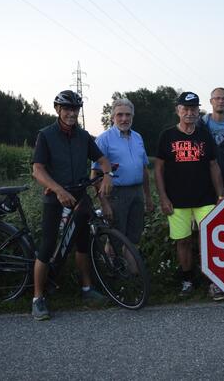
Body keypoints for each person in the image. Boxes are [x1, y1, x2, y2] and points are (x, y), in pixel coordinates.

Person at [31, 90, 113, 321]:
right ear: (58, 110)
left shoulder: (84, 136)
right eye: (67, 109)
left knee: (83, 244)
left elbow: (103, 160)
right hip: (55, 195)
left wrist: (108, 175)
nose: (71, 113)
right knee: (47, 246)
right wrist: (58, 190)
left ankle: (87, 289)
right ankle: (38, 298)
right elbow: (38, 169)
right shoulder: (46, 135)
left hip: (79, 195)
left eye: (75, 109)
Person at [155, 91, 224, 297]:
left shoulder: (204, 135)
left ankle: (213, 282)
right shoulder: (167, 135)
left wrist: (220, 196)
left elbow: (214, 165)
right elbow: (158, 168)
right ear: (178, 110)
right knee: (183, 241)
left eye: (194, 109)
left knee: (209, 239)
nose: (190, 113)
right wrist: (163, 197)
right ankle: (187, 280)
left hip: (205, 198)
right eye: (185, 109)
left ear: (197, 111)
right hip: (177, 200)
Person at [197, 87, 224, 301]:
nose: (221, 101)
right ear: (211, 101)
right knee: (208, 234)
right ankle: (212, 282)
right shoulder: (200, 124)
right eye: (217, 98)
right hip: (205, 186)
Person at [92, 98, 153, 246]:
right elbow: (95, 175)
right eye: (120, 115)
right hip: (116, 195)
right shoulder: (103, 140)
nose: (124, 119)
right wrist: (104, 204)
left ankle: (131, 269)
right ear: (112, 117)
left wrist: (148, 197)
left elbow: (143, 169)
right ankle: (112, 268)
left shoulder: (138, 137)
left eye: (128, 115)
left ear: (132, 116)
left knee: (134, 237)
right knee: (116, 238)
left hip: (137, 192)